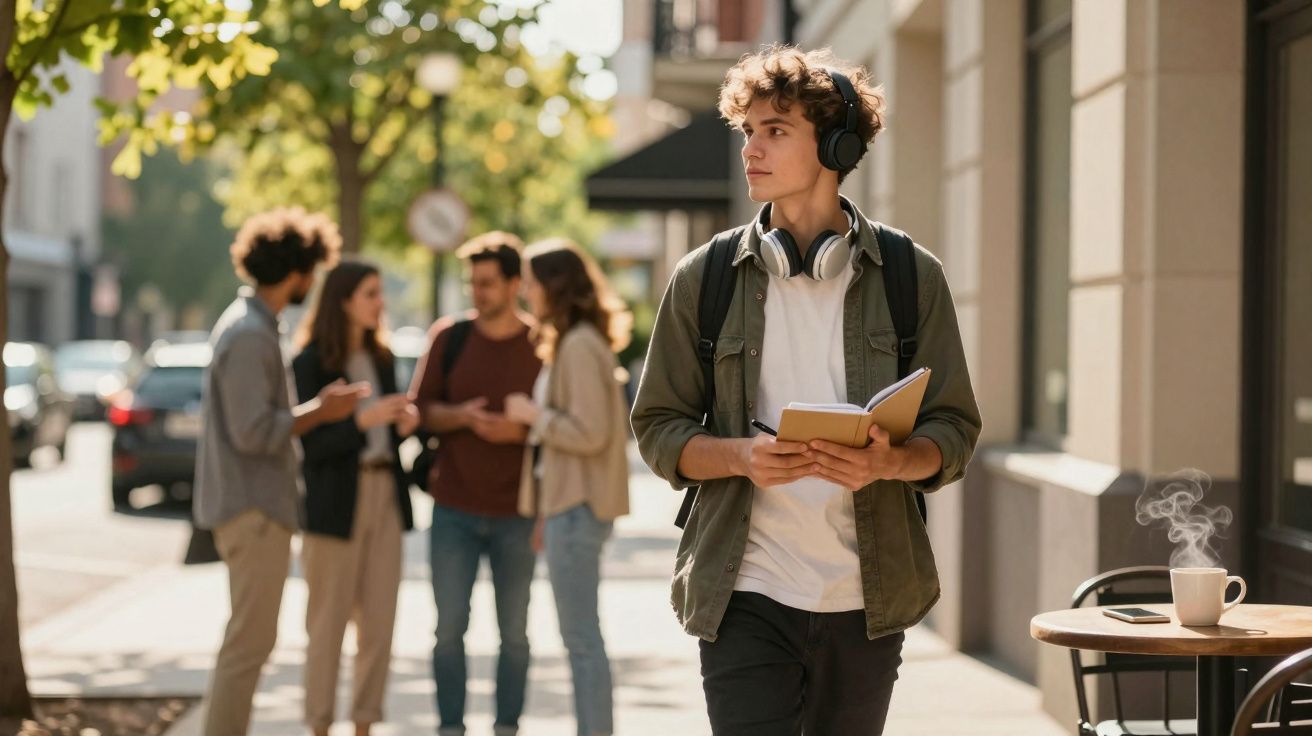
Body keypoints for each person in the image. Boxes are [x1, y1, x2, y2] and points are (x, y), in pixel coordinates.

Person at [630, 45, 983, 735]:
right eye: (749, 131)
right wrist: (739, 458)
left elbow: (954, 431)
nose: (751, 149)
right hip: (745, 592)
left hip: (869, 598)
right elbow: (658, 427)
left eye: (776, 130)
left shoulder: (914, 277)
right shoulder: (705, 279)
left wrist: (888, 463)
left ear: (836, 144)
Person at [194, 207, 368, 736]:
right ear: (295, 270)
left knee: (248, 643)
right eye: (310, 271)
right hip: (252, 510)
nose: (312, 283)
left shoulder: (255, 327)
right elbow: (253, 432)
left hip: (254, 509)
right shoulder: (249, 334)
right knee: (248, 646)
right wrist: (321, 410)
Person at [410, 232, 543, 736]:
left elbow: (561, 422)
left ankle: (506, 726)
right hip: (454, 508)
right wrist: (460, 418)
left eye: (488, 283)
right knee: (448, 631)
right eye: (473, 283)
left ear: (514, 284)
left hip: (518, 510)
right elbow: (419, 409)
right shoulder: (450, 336)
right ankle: (450, 727)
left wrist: (522, 430)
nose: (478, 292)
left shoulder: (540, 342)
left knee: (514, 634)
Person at [504, 238, 632, 736]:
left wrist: (533, 416)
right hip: (568, 507)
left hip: (579, 508)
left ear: (553, 287)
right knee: (581, 638)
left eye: (531, 284)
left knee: (581, 640)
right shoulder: (574, 340)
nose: (526, 294)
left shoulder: (578, 345)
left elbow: (591, 432)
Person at [291, 260, 420, 736]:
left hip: (386, 493)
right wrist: (362, 422)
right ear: (342, 299)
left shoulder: (383, 357)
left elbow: (381, 434)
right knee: (326, 627)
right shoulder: (309, 363)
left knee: (379, 625)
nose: (379, 303)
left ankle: (365, 725)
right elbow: (311, 445)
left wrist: (402, 426)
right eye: (370, 293)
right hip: (334, 503)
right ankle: (319, 726)